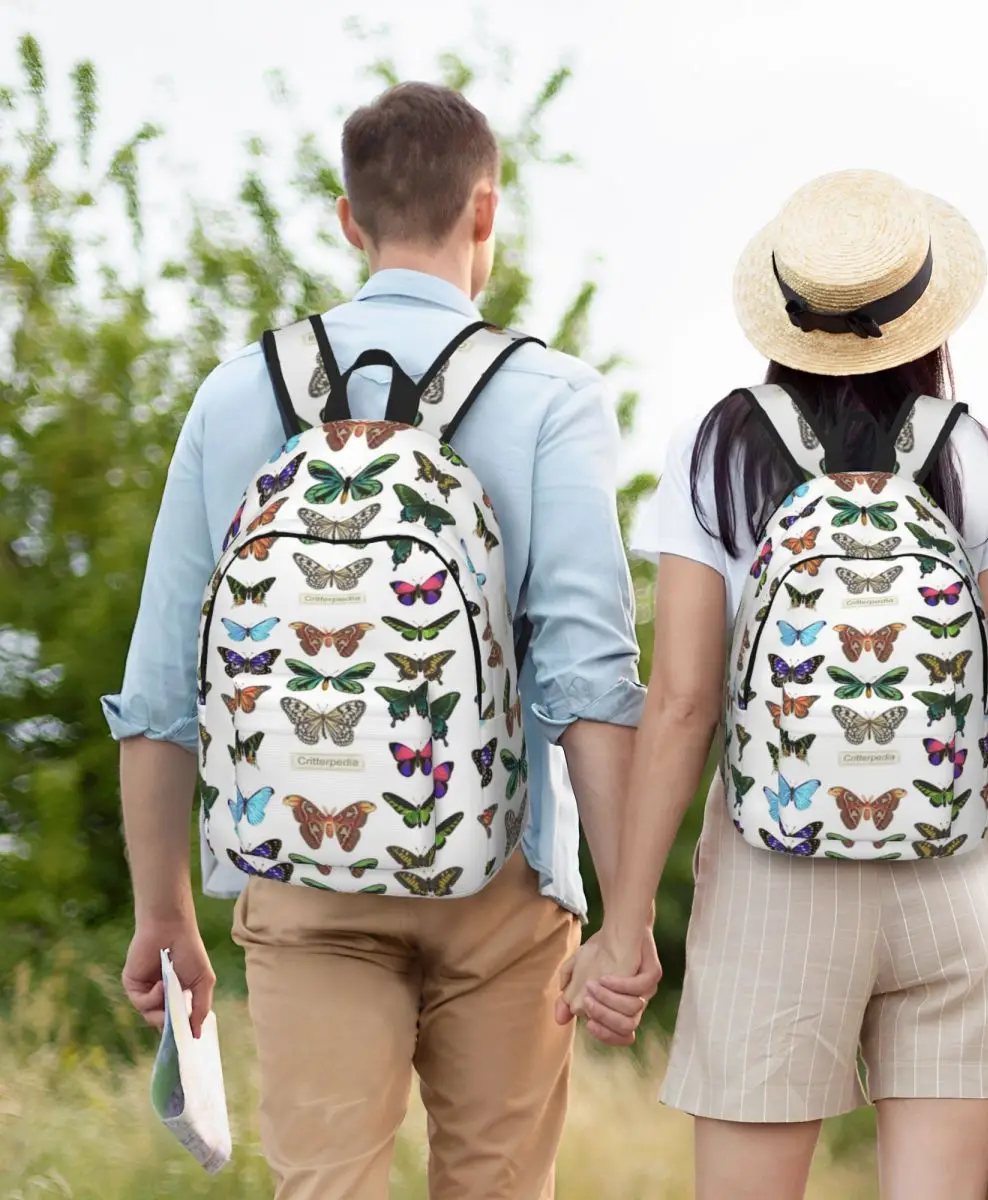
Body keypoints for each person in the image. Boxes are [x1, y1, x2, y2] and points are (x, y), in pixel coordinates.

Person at [105, 81, 661, 1200]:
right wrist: (627, 916)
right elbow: (589, 679)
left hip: (301, 878)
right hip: (503, 880)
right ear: (486, 213)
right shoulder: (550, 395)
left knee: (325, 1186)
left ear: (349, 219)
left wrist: (163, 910)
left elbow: (164, 684)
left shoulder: (237, 393)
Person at [559, 169, 988, 1200]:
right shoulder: (974, 455)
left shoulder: (717, 449)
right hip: (955, 885)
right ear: (925, 315)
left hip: (773, 884)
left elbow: (682, 707)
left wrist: (623, 929)